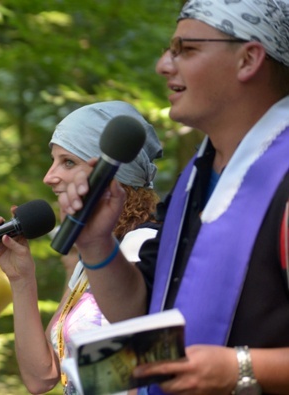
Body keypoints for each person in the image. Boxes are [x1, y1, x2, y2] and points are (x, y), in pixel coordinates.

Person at [57, 1, 289, 394]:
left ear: (248, 59)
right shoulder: (193, 179)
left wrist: (243, 368)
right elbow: (139, 310)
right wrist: (97, 244)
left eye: (187, 49)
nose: (164, 65)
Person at [0, 101, 162, 395]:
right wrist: (21, 278)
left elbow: (145, 373)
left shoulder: (145, 248)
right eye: (53, 160)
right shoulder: (93, 257)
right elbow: (42, 376)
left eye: (68, 162)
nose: (49, 176)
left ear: (110, 177)